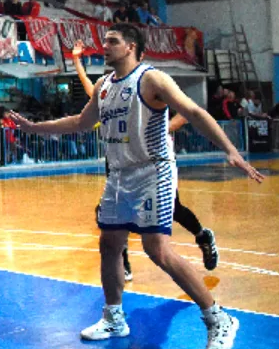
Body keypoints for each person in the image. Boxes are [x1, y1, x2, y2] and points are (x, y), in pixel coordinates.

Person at [12, 24, 263, 349]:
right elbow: (80, 123)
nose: (106, 46)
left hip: (153, 171)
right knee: (110, 243)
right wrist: (34, 128)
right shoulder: (103, 86)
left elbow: (193, 112)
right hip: (119, 174)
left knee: (157, 249)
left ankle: (218, 318)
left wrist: (230, 149)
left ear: (131, 47)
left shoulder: (152, 79)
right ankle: (114, 319)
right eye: (106, 41)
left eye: (113, 41)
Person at [70, 40, 221, 278]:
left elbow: (187, 112)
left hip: (154, 160)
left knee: (174, 210)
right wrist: (76, 59)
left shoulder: (150, 85)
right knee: (113, 212)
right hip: (120, 159)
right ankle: (124, 263)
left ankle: (202, 235)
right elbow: (89, 87)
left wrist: (164, 129)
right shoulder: (110, 91)